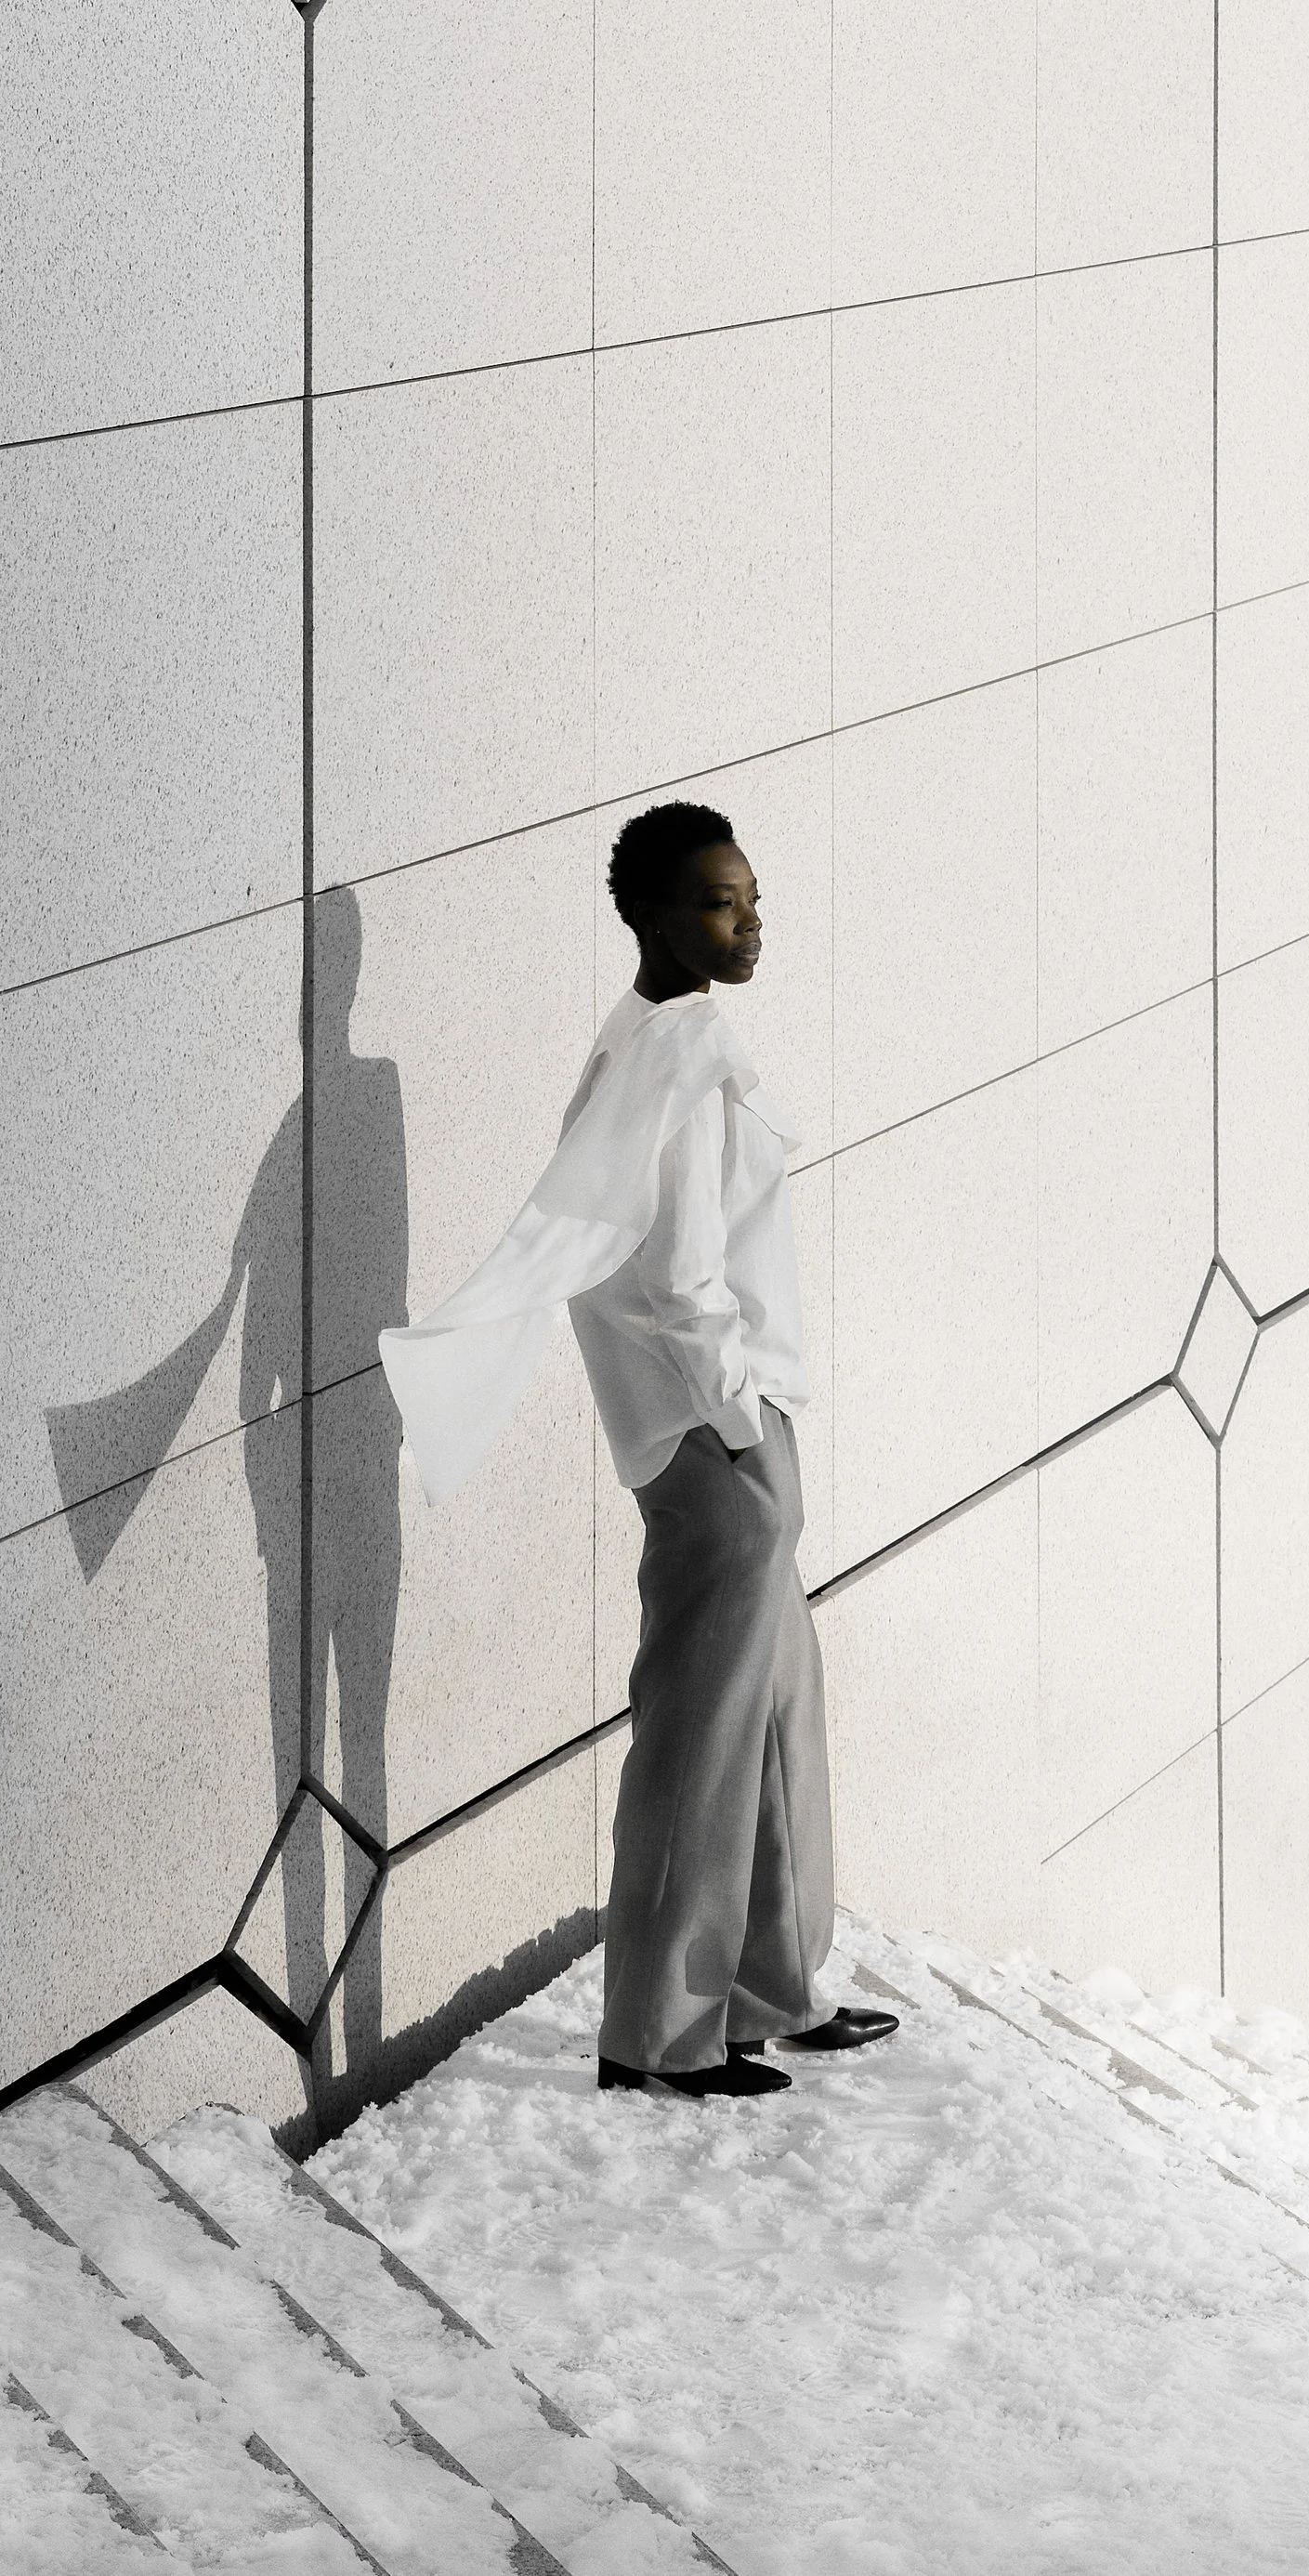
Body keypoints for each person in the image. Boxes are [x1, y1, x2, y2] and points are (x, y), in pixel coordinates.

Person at [380, 800, 899, 2099]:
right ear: (654, 918)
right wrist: (734, 1435)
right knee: (700, 1739)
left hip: (741, 1420)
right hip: (709, 1436)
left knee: (776, 1717)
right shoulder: (666, 1059)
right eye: (723, 903)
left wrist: (756, 1424)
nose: (750, 920)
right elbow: (665, 1279)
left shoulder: (668, 1037)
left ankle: (767, 1992)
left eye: (753, 895)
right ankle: (656, 2035)